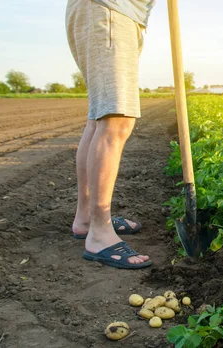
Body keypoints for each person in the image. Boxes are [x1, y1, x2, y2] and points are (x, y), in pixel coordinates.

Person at [66, 0, 156, 269]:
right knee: (116, 119)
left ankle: (87, 219)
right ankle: (100, 234)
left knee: (99, 119)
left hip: (111, 11)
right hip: (110, 10)